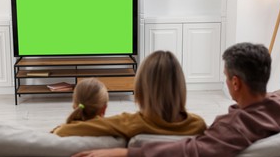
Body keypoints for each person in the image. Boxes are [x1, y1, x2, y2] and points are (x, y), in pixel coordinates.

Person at [70, 42, 280, 157]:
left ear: (236, 83)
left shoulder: (233, 127)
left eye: (225, 78)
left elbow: (192, 152)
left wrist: (120, 155)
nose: (225, 82)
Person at [52, 50, 207, 139]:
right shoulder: (198, 125)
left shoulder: (129, 123)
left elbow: (65, 131)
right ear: (181, 88)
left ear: (140, 89)